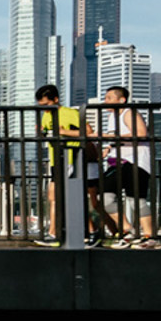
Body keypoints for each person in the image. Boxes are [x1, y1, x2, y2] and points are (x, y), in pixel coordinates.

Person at [34, 83, 105, 247]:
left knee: (64, 198)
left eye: (46, 104)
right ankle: (61, 233)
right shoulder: (46, 116)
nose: (44, 108)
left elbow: (88, 131)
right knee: (55, 198)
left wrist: (64, 132)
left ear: (56, 100)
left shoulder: (69, 113)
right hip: (55, 159)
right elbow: (46, 132)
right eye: (41, 106)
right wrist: (41, 132)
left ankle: (66, 233)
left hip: (71, 158)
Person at [94, 85, 160, 248]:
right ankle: (128, 231)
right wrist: (108, 147)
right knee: (105, 198)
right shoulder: (113, 117)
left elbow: (140, 133)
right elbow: (119, 138)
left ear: (121, 100)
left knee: (136, 200)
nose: (105, 101)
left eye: (109, 98)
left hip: (134, 161)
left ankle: (150, 237)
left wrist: (107, 137)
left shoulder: (128, 112)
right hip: (117, 162)